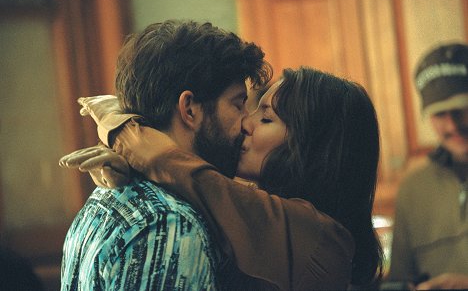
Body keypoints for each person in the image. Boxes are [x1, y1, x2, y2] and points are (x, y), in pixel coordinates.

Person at [61, 67, 384, 289]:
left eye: (267, 117)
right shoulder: (256, 207)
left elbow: (171, 163)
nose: (247, 122)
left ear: (311, 147)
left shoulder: (317, 234)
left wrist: (118, 122)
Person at [59, 19, 272, 290]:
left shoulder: (103, 197)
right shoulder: (167, 224)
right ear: (190, 109)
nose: (246, 122)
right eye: (238, 104)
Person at [387, 43, 468, 290]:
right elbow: (400, 281)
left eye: (461, 109)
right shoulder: (413, 189)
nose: (452, 125)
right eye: (440, 114)